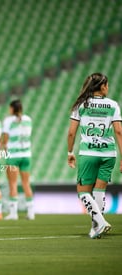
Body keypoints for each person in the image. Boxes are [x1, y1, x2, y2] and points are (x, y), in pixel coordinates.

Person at [67, 72, 121, 239]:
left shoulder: (80, 105)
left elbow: (71, 133)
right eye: (107, 84)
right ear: (102, 86)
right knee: (100, 190)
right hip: (109, 153)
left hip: (88, 152)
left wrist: (70, 152)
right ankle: (96, 227)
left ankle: (100, 222)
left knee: (82, 192)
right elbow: (118, 131)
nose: (108, 87)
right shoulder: (113, 105)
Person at [0, 99, 34, 220]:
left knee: (13, 184)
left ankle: (13, 213)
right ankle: (31, 213)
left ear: (12, 108)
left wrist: (2, 149)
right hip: (26, 155)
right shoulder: (28, 119)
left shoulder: (8, 120)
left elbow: (5, 138)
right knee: (26, 184)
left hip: (13, 156)